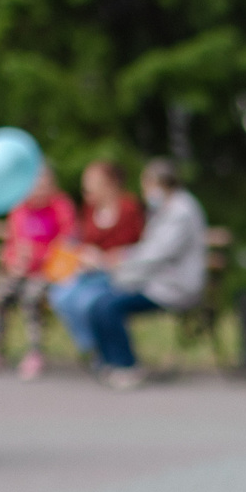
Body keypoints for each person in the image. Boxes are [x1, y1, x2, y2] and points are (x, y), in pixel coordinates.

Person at [85, 160, 208, 390]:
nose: (145, 192)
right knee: (99, 302)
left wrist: (118, 265)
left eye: (146, 185)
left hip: (174, 288)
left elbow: (156, 255)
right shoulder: (166, 209)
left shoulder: (181, 211)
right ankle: (110, 361)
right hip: (157, 283)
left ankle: (127, 366)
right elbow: (148, 249)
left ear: (158, 184)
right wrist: (121, 258)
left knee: (109, 306)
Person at [0, 164, 76, 381]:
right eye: (35, 185)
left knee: (31, 296)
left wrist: (38, 256)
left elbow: (67, 246)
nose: (39, 190)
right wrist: (13, 263)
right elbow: (11, 245)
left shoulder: (61, 207)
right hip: (21, 271)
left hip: (49, 273)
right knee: (1, 295)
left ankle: (34, 352)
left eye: (44, 185)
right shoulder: (20, 209)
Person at [49, 161, 147, 366]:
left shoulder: (129, 208)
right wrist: (83, 255)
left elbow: (140, 247)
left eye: (91, 181)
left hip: (118, 273)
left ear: (109, 183)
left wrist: (106, 258)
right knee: (61, 295)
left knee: (87, 302)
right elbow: (82, 241)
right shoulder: (90, 208)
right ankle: (92, 348)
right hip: (90, 272)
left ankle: (106, 354)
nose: (87, 187)